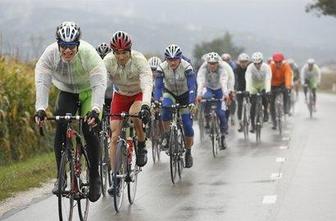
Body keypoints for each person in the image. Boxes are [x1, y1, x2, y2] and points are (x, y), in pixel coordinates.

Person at [34, 21, 107, 202]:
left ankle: (95, 177)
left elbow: (99, 84)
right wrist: (41, 108)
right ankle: (61, 177)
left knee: (89, 129)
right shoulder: (50, 54)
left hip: (88, 91)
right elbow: (42, 81)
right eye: (64, 47)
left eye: (71, 47)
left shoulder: (89, 54)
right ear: (58, 44)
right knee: (61, 125)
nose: (67, 51)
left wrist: (96, 110)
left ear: (78, 45)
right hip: (67, 91)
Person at [103, 31, 153, 194]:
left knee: (134, 114)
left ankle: (141, 143)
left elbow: (146, 83)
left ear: (130, 51)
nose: (121, 56)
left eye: (124, 52)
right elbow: (100, 83)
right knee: (114, 135)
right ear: (113, 52)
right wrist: (96, 106)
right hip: (120, 95)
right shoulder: (108, 61)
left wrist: (145, 104)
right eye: (117, 53)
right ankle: (115, 177)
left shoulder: (139, 60)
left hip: (138, 94)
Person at [154, 44, 196, 168]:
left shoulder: (187, 67)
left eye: (175, 59)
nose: (172, 62)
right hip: (170, 93)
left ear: (180, 58)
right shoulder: (161, 67)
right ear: (166, 59)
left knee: (188, 126)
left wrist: (192, 102)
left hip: (185, 95)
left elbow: (192, 86)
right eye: (170, 60)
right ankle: (167, 135)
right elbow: (158, 87)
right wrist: (156, 100)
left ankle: (188, 152)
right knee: (165, 108)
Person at [196, 52, 229, 149]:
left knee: (221, 114)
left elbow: (223, 82)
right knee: (206, 99)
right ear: (207, 63)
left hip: (219, 89)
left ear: (218, 63)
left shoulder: (222, 69)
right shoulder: (203, 69)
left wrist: (226, 94)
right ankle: (207, 119)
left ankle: (222, 136)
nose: (212, 65)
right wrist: (198, 95)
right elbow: (201, 82)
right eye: (210, 63)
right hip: (208, 88)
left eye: (214, 63)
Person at [245, 52, 272, 133]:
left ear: (262, 61)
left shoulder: (266, 67)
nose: (257, 65)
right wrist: (248, 90)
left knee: (265, 97)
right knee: (253, 104)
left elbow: (268, 79)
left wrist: (268, 90)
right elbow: (248, 79)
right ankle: (253, 125)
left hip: (263, 84)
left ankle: (266, 112)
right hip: (253, 85)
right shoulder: (250, 67)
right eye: (255, 63)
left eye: (259, 63)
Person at [270, 52, 292, 130]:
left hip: (283, 83)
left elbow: (288, 75)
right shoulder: (271, 66)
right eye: (276, 62)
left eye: (280, 62)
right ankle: (274, 122)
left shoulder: (286, 65)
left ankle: (286, 108)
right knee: (271, 102)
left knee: (286, 92)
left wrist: (288, 86)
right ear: (274, 61)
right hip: (273, 84)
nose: (278, 64)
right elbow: (268, 77)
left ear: (282, 61)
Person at [235, 53, 251, 132]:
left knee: (252, 103)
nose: (243, 63)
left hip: (249, 88)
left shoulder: (250, 68)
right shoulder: (237, 69)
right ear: (239, 62)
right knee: (240, 105)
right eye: (241, 62)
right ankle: (240, 122)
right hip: (240, 89)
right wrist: (234, 89)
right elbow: (235, 80)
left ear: (247, 62)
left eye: (245, 62)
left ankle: (251, 119)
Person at [221, 53, 237, 126]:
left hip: (230, 82)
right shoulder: (220, 66)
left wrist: (233, 89)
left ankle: (232, 115)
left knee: (232, 98)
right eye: (224, 60)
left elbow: (233, 78)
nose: (226, 61)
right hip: (222, 83)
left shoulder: (232, 66)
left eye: (227, 60)